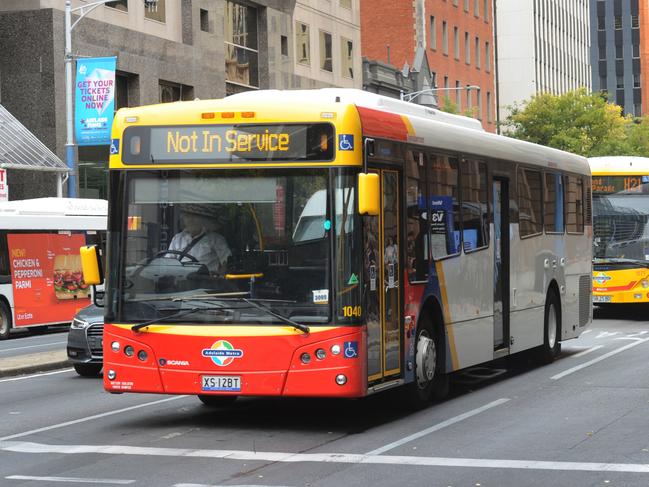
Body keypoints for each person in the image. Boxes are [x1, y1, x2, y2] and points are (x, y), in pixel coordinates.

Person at [167, 205, 231, 275]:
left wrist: (219, 277)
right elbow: (168, 262)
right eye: (187, 216)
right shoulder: (177, 238)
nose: (190, 220)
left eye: (193, 216)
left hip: (205, 282)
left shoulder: (216, 239)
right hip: (181, 281)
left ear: (201, 219)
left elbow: (226, 262)